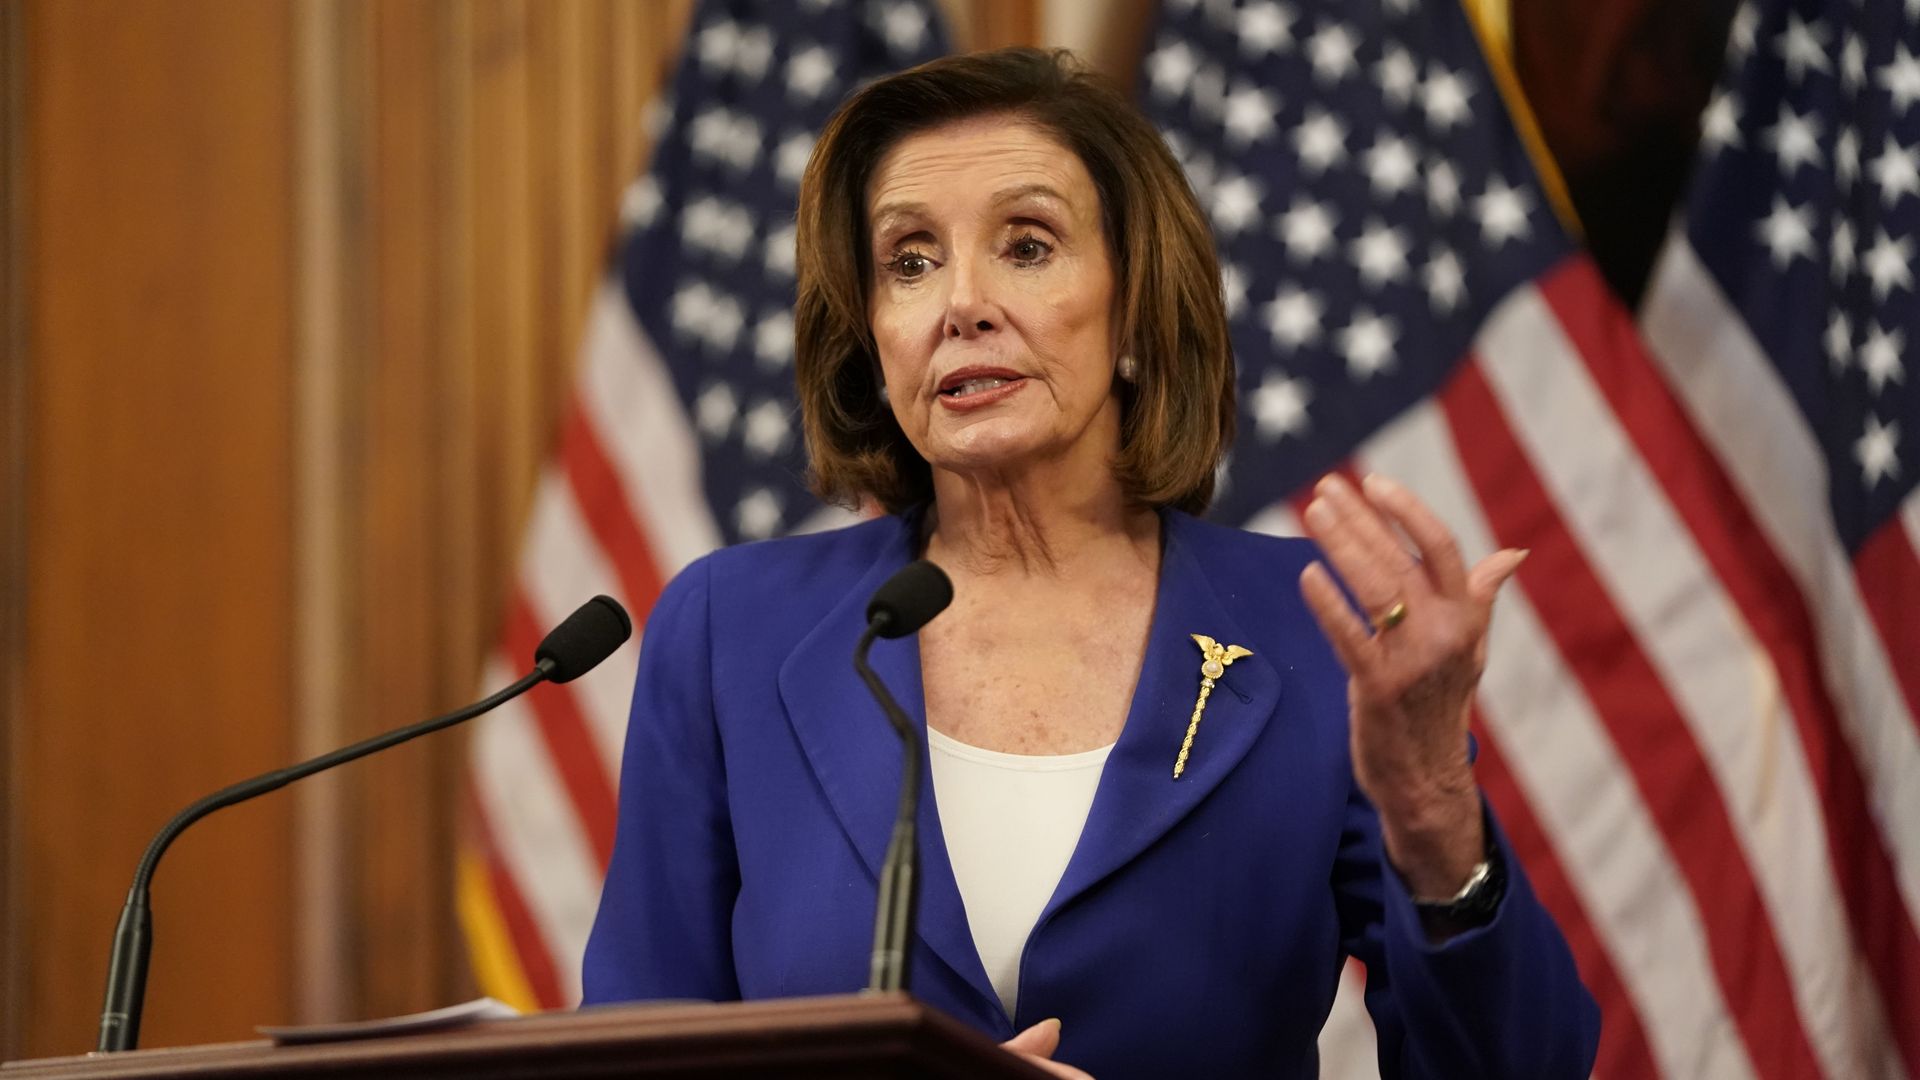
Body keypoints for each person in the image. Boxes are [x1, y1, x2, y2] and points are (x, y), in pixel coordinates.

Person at [581, 47, 1600, 1079]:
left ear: (1132, 306)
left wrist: (1431, 806)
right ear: (870, 334)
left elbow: (1521, 1067)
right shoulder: (733, 633)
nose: (960, 304)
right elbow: (632, 1058)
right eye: (910, 261)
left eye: (1026, 245)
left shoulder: (1310, 629)